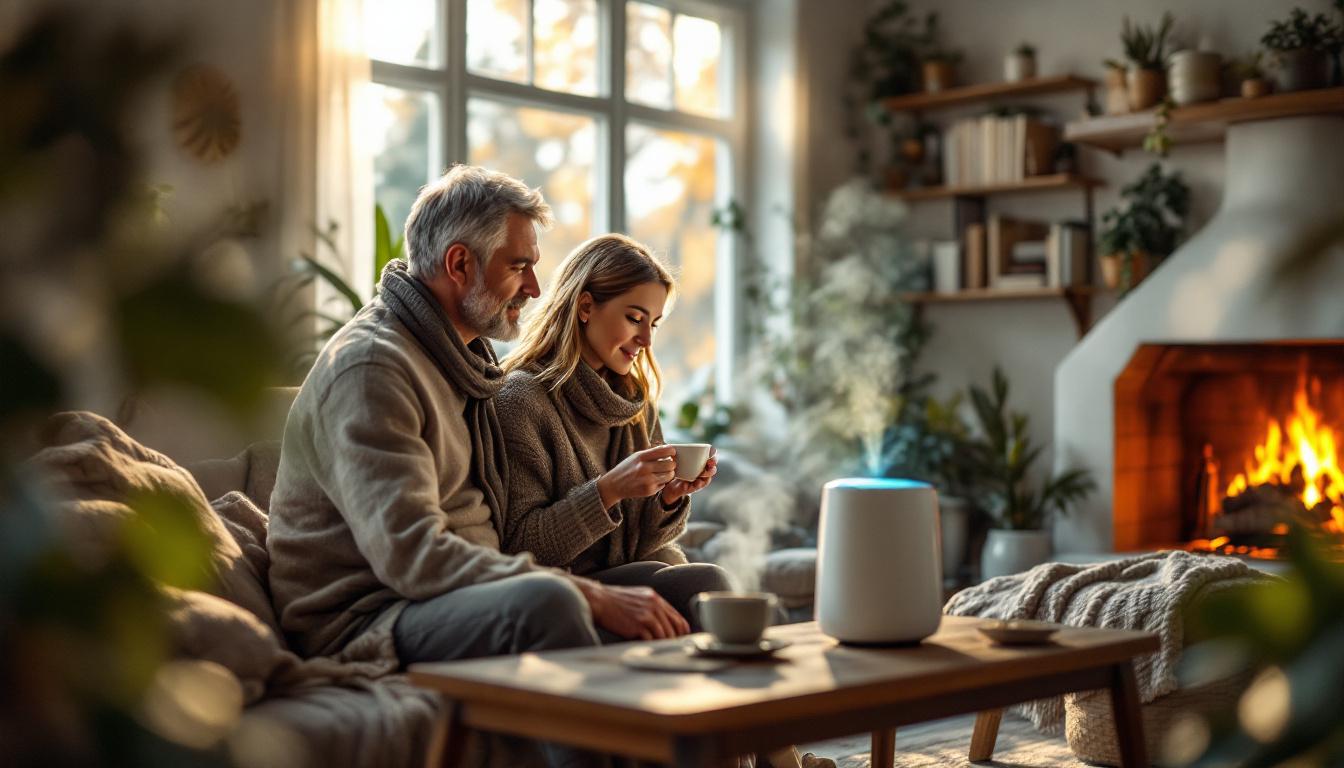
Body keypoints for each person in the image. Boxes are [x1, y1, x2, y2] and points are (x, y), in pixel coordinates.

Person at [266, 166, 687, 767]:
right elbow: (412, 557)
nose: (537, 288)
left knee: (690, 588)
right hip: (371, 615)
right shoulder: (374, 370)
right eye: (519, 266)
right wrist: (587, 592)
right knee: (550, 604)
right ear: (460, 264)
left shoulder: (462, 361)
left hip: (458, 594)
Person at [497, 234, 733, 632]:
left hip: (627, 578)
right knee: (704, 585)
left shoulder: (634, 404)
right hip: (563, 593)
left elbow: (642, 545)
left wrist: (668, 498)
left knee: (718, 595)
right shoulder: (520, 400)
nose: (647, 340)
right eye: (635, 319)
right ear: (586, 306)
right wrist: (609, 490)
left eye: (653, 324)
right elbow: (520, 547)